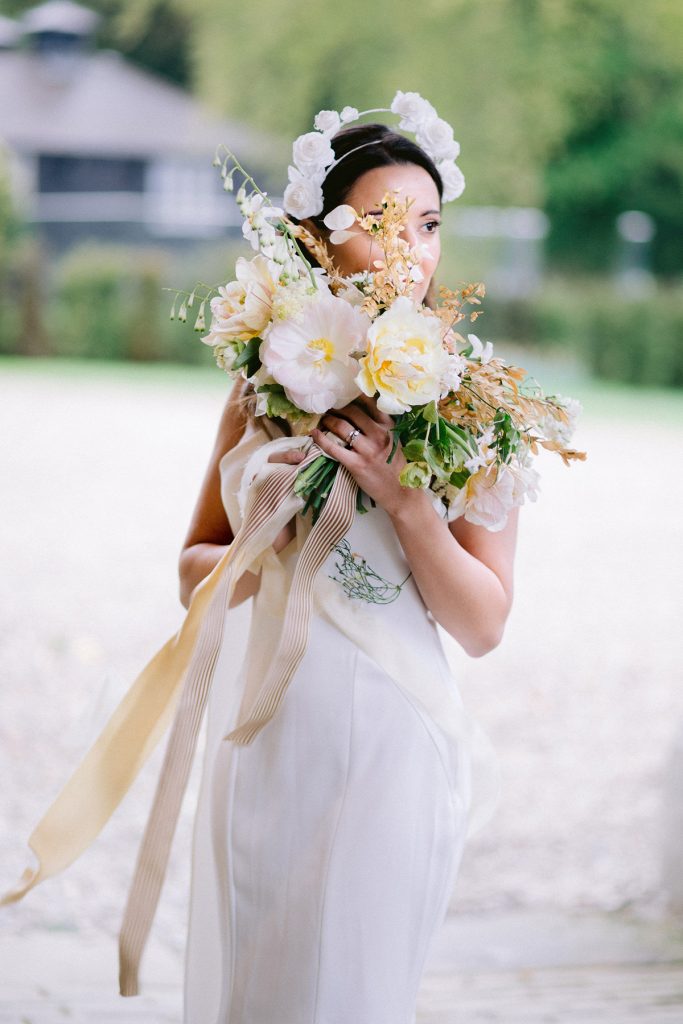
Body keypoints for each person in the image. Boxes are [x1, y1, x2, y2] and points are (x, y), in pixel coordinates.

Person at [178, 121, 519, 1023]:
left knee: (355, 990)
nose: (409, 249)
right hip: (268, 736)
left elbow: (483, 624)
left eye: (429, 223)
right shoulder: (266, 382)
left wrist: (408, 507)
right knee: (262, 989)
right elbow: (192, 570)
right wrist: (264, 534)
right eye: (381, 220)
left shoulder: (476, 398)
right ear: (319, 237)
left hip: (391, 738)